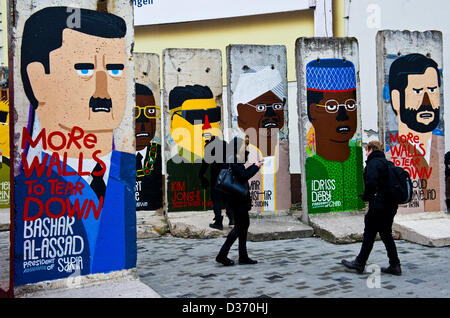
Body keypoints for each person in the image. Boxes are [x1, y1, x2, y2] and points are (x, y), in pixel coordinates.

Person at [15, 7, 136, 284]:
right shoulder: (32, 180)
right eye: (84, 69)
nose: (103, 92)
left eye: (116, 70)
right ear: (38, 78)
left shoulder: (125, 171)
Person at [305, 58, 365, 213]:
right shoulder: (313, 163)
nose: (343, 116)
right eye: (331, 106)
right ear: (313, 111)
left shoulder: (358, 156)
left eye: (350, 105)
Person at [386, 53, 444, 212]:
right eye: (417, 91)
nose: (427, 102)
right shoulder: (390, 156)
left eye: (432, 90)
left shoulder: (440, 151)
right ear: (396, 99)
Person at [232, 66, 291, 212]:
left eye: (277, 105)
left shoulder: (284, 151)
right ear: (241, 116)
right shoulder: (240, 154)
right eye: (260, 107)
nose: (270, 114)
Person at [341, 141, 401, 276]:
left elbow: (371, 183)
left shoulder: (374, 163)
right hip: (390, 205)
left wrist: (366, 197)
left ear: (372, 149)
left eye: (367, 150)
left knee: (369, 233)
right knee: (386, 234)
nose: (366, 153)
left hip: (378, 205)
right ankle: (395, 265)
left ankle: (359, 263)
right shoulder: (388, 164)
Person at [216, 137, 263, 266]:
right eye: (246, 146)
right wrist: (256, 167)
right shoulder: (233, 159)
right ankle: (222, 255)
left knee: (244, 225)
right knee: (239, 227)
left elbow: (242, 170)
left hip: (238, 198)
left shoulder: (235, 158)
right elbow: (243, 175)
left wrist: (254, 164)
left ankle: (243, 256)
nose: (247, 148)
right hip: (237, 199)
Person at [135, 83, 163, 211]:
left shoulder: (160, 153)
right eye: (135, 112)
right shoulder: (115, 157)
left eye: (150, 111)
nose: (143, 123)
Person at [199, 135, 234, 230]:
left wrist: (201, 174)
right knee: (227, 197)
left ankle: (218, 222)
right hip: (227, 174)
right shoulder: (225, 144)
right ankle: (232, 219)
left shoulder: (209, 146)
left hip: (216, 175)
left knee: (216, 198)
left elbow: (205, 162)